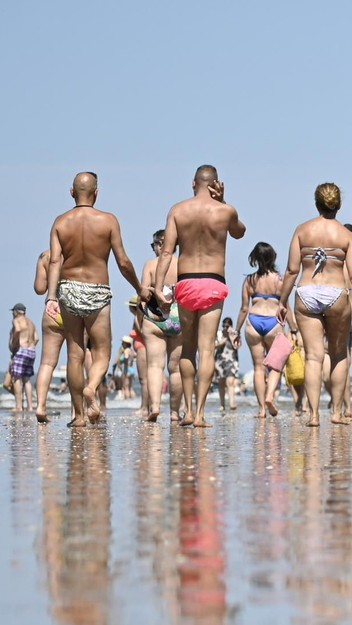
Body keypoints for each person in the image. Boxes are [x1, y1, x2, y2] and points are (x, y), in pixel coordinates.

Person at [44, 172, 144, 426]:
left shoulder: (60, 222)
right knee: (102, 351)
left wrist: (51, 296)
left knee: (74, 353)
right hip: (97, 290)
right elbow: (123, 261)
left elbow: (55, 261)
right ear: (96, 193)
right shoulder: (108, 221)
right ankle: (92, 387)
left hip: (67, 288)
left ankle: (78, 416)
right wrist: (139, 287)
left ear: (72, 192)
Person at [149, 165, 246, 428]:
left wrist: (158, 288)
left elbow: (167, 253)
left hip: (186, 282)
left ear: (194, 183)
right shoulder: (226, 211)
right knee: (206, 350)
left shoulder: (178, 210)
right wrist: (223, 201)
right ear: (216, 184)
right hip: (213, 282)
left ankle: (188, 411)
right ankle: (201, 414)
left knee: (187, 349)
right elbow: (240, 231)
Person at [279, 182, 352, 427]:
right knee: (339, 354)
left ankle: (313, 415)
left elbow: (291, 270)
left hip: (306, 291)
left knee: (313, 357)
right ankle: (337, 413)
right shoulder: (346, 235)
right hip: (336, 293)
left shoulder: (302, 230)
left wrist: (282, 301)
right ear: (339, 205)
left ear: (316, 203)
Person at [137, 229, 184, 423]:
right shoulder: (182, 263)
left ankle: (155, 407)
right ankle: (174, 412)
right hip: (178, 314)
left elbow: (143, 295)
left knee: (155, 366)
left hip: (155, 315)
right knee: (176, 369)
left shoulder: (150, 265)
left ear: (159, 245)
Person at [236, 241, 286, 417]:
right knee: (276, 366)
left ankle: (262, 409)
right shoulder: (280, 280)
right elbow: (286, 306)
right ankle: (270, 396)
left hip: (253, 321)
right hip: (274, 322)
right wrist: (294, 330)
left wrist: (236, 330)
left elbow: (243, 308)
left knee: (258, 367)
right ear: (273, 257)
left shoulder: (250, 280)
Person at [31, 248, 74, 422]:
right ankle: (76, 412)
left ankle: (41, 406)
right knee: (76, 361)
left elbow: (39, 289)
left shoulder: (45, 256)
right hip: (74, 310)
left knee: (47, 364)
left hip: (51, 311)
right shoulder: (77, 252)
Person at [8, 303, 37, 412]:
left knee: (17, 378)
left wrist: (15, 343)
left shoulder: (17, 320)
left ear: (16, 312)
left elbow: (18, 329)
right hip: (32, 350)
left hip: (22, 349)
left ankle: (19, 406)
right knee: (27, 379)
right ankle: (30, 407)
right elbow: (36, 338)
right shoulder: (31, 323)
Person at [213, 318, 241, 411]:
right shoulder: (219, 333)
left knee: (230, 382)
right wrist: (222, 341)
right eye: (223, 325)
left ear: (231, 326)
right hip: (220, 360)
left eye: (227, 326)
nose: (225, 328)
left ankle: (232, 403)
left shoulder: (234, 334)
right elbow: (213, 345)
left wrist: (231, 336)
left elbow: (238, 345)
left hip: (232, 360)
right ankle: (222, 405)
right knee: (221, 383)